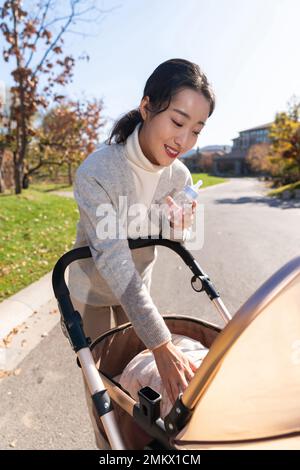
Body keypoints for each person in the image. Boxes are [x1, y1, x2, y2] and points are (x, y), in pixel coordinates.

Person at [67, 58, 215, 448]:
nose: (183, 140)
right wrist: (161, 344)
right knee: (103, 389)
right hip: (95, 292)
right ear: (147, 107)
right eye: (178, 122)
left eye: (196, 130)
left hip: (139, 288)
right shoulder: (97, 171)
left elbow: (172, 239)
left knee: (143, 386)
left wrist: (179, 223)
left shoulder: (178, 175)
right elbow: (113, 259)